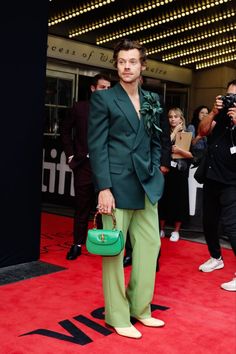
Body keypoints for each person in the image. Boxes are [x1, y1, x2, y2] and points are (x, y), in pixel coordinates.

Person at [88, 38, 165, 339]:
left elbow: (157, 141)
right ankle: (117, 315)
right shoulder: (104, 99)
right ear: (117, 65)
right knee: (114, 252)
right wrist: (103, 188)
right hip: (116, 185)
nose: (127, 67)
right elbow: (97, 146)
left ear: (142, 65)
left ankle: (139, 308)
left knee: (150, 248)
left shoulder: (152, 99)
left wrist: (156, 169)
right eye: (122, 62)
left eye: (132, 61)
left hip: (147, 185)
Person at [61, 73, 111, 260]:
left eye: (108, 88)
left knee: (106, 207)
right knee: (82, 207)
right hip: (84, 164)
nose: (105, 91)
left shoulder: (113, 110)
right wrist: (70, 154)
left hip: (105, 165)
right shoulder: (80, 108)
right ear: (93, 89)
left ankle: (103, 243)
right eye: (102, 87)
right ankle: (77, 244)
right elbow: (65, 131)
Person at [123, 88, 171, 267]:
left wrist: (163, 163)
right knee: (128, 213)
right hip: (128, 170)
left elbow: (163, 135)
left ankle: (153, 257)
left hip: (151, 169)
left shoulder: (153, 101)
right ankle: (130, 252)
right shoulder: (121, 103)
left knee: (150, 216)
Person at [198, 80, 236, 292]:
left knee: (232, 227)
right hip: (212, 177)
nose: (231, 100)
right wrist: (213, 111)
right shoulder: (219, 114)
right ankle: (216, 257)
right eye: (228, 95)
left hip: (232, 181)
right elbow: (203, 132)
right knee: (209, 222)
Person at [159, 107, 193, 242]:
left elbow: (192, 155)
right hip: (165, 171)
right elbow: (162, 148)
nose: (173, 119)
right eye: (170, 116)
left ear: (181, 118)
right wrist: (173, 135)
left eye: (176, 116)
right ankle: (161, 229)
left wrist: (180, 150)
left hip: (180, 173)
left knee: (179, 201)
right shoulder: (163, 133)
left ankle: (176, 231)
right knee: (163, 200)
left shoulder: (186, 134)